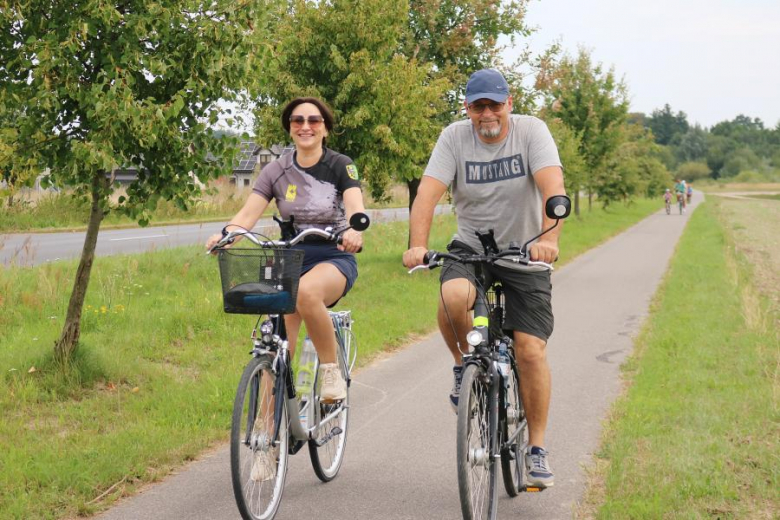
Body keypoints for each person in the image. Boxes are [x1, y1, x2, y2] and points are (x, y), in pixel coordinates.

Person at [402, 68, 566, 488]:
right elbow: (427, 194)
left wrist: (548, 239)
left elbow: (553, 188)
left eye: (495, 104)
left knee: (529, 350)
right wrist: (416, 245)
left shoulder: (532, 132)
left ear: (509, 103)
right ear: (467, 108)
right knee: (452, 295)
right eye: (479, 106)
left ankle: (537, 450)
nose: (487, 113)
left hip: (526, 250)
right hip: (472, 249)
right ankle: (464, 369)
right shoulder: (454, 137)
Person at [207, 97, 366, 404]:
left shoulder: (340, 165)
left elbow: (355, 206)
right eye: (297, 121)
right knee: (275, 350)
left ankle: (330, 371)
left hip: (333, 255)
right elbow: (247, 216)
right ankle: (265, 439)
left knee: (306, 293)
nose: (305, 126)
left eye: (313, 121)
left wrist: (354, 230)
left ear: (325, 129)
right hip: (288, 256)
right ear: (289, 129)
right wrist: (226, 236)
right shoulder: (276, 170)